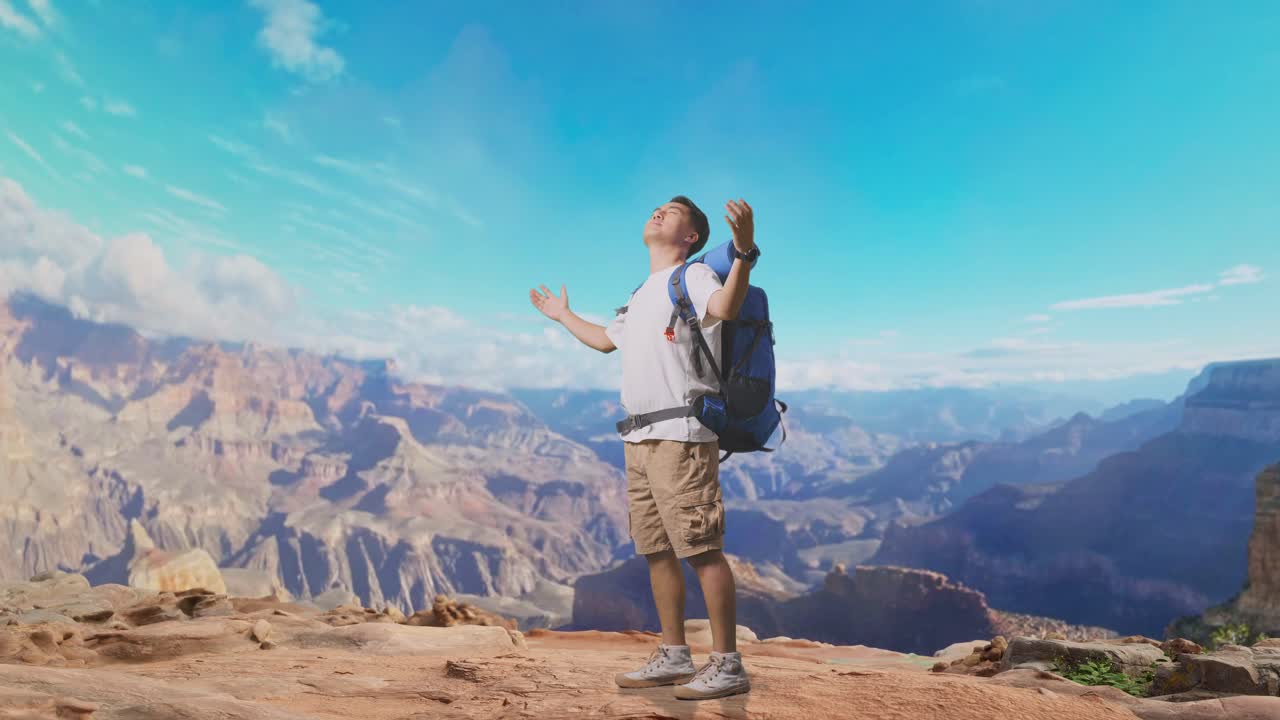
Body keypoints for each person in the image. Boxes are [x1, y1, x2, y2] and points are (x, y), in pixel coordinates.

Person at [529, 195, 758, 700]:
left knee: (702, 550)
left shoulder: (693, 277)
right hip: (638, 437)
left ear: (691, 236)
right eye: (658, 207)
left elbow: (726, 307)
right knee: (657, 551)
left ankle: (727, 664)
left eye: (672, 211)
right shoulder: (641, 294)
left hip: (681, 436)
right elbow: (605, 340)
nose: (659, 211)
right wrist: (563, 315)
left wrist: (743, 252)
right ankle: (674, 654)